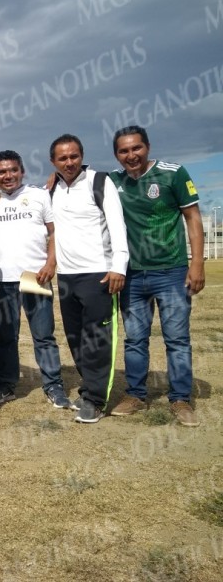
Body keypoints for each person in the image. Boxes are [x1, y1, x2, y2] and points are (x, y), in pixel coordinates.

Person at [107, 126, 205, 427]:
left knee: (176, 338)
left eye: (136, 148)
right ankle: (136, 394)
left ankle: (180, 399)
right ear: (117, 155)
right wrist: (52, 178)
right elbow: (75, 179)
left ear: (147, 147)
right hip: (132, 275)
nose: (131, 155)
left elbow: (193, 217)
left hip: (172, 271)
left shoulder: (172, 173)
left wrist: (197, 263)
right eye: (124, 151)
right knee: (135, 339)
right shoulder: (113, 180)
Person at [48, 133, 129, 424]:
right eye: (62, 158)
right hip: (66, 276)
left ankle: (95, 399)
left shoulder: (100, 182)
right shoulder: (52, 189)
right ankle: (89, 387)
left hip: (99, 274)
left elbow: (117, 226)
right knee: (75, 338)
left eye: (74, 156)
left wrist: (118, 266)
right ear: (53, 161)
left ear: (82, 156)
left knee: (97, 339)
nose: (69, 162)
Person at [0, 151, 69, 409]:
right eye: (1, 172)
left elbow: (54, 232)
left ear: (22, 172)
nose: (7, 176)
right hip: (3, 280)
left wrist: (51, 263)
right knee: (7, 337)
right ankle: (6, 385)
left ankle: (53, 385)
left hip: (35, 276)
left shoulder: (39, 195)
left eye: (12, 170)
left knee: (43, 335)